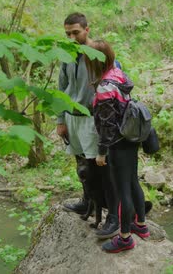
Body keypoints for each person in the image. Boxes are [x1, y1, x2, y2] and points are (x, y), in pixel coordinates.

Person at [58, 13, 119, 238]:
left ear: (87, 29)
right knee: (82, 166)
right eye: (68, 34)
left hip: (93, 118)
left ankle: (113, 216)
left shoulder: (99, 54)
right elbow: (61, 88)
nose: (72, 37)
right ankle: (87, 201)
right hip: (72, 117)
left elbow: (116, 79)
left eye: (76, 32)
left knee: (102, 169)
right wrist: (60, 119)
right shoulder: (66, 56)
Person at [85, 40, 150, 253]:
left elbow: (106, 125)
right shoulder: (118, 75)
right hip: (131, 138)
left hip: (117, 144)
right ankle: (141, 225)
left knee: (123, 191)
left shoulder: (105, 87)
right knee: (133, 183)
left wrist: (101, 153)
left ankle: (124, 238)